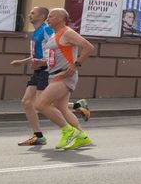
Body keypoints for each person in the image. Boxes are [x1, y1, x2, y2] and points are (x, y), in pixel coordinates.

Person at [34, 8, 95, 150]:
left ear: (61, 19)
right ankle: (82, 137)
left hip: (65, 75)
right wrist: (41, 62)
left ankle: (68, 131)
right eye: (48, 17)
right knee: (61, 107)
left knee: (40, 104)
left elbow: (89, 47)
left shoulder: (68, 32)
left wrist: (76, 64)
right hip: (54, 74)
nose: (48, 19)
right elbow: (54, 56)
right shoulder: (54, 35)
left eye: (51, 16)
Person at [10, 6, 52, 146]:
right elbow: (36, 55)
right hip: (38, 70)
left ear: (42, 16)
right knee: (27, 102)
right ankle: (38, 136)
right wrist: (22, 62)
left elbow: (54, 50)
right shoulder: (36, 32)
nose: (29, 15)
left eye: (33, 13)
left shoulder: (46, 30)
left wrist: (43, 63)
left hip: (46, 70)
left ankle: (77, 105)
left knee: (41, 104)